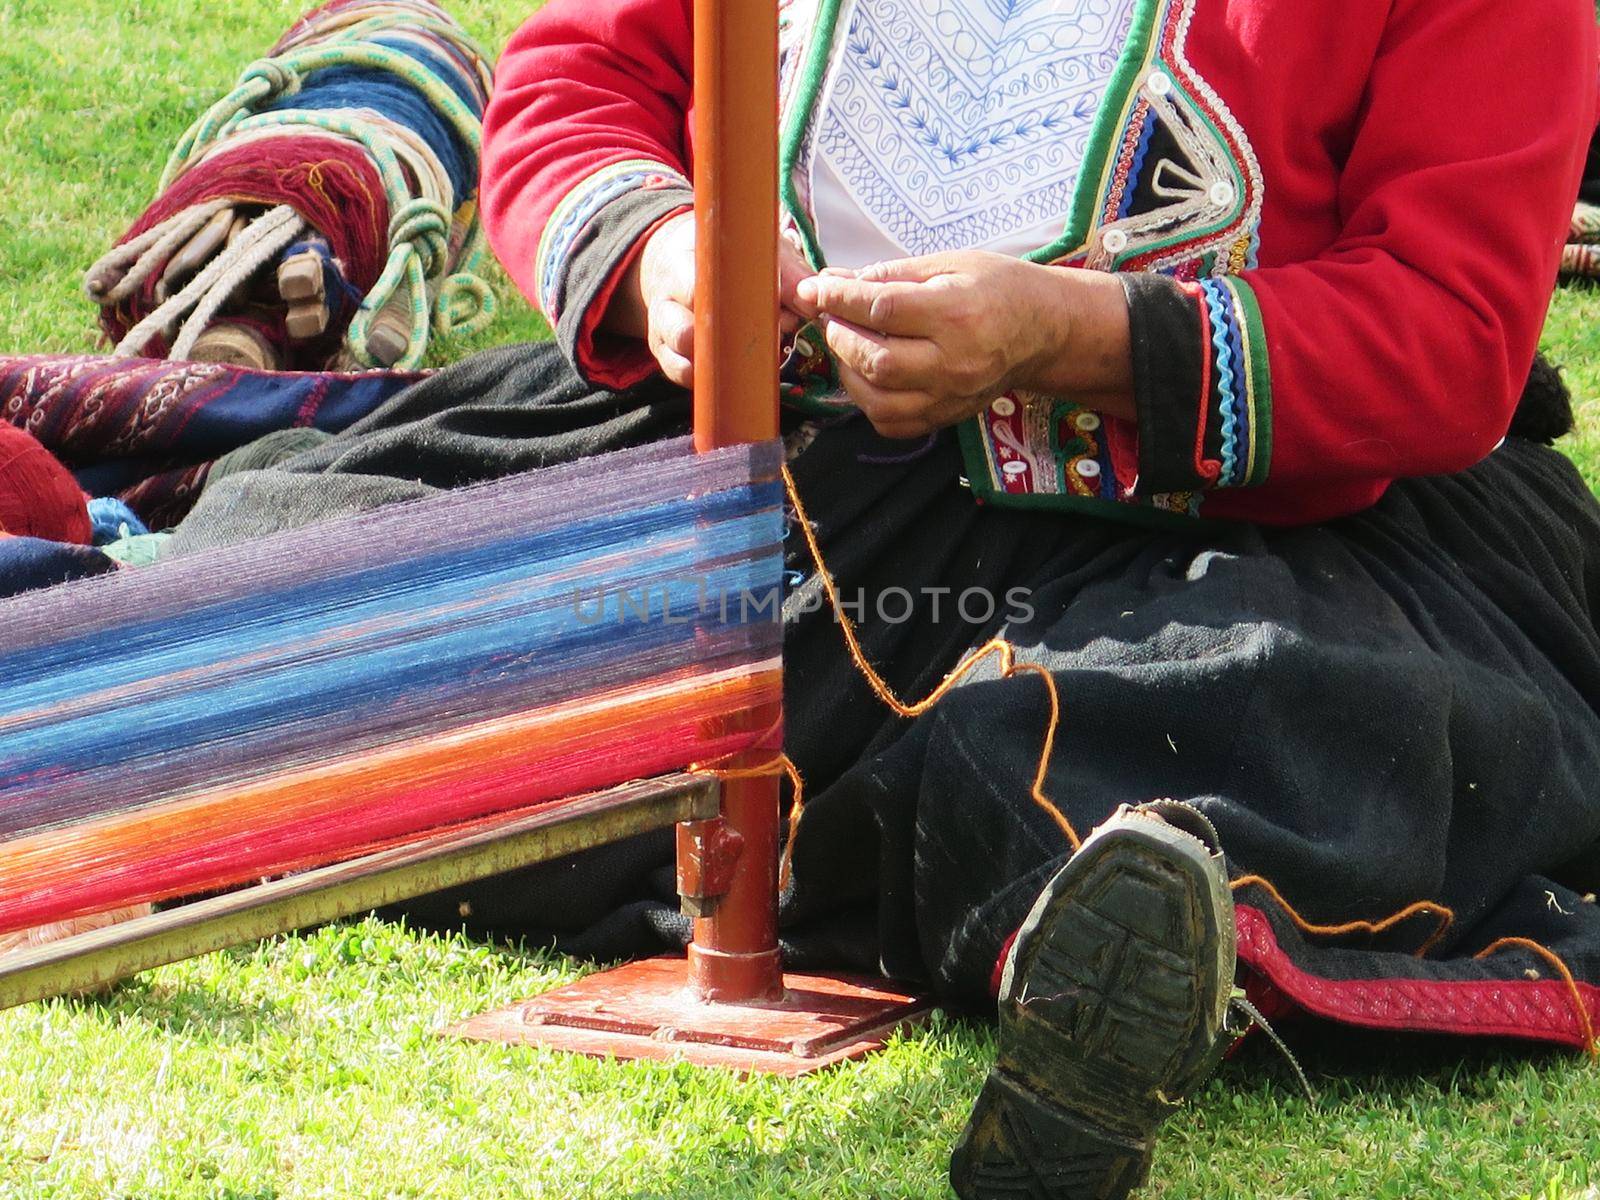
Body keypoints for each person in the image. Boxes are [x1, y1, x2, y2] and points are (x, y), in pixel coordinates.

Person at [146, 0, 1600, 1196]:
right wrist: (665, 258)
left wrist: (1070, 334)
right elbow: (582, 76)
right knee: (268, 595)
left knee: (1222, 729)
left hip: (1228, 524)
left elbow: (1450, 321)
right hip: (771, 464)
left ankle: (1110, 929)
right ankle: (960, 873)